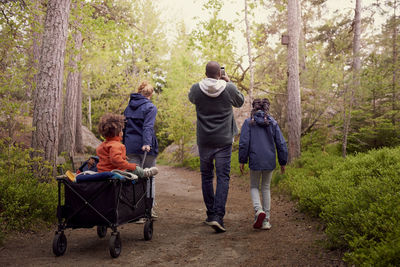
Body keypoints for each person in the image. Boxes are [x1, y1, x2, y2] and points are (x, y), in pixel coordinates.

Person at [188, 61, 245, 233]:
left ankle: (210, 214)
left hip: (204, 140)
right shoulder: (228, 88)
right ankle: (218, 216)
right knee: (222, 177)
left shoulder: (197, 88)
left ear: (205, 73)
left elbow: (192, 98)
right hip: (224, 140)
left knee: (206, 176)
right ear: (219, 74)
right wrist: (228, 82)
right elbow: (240, 102)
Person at [238, 98, 288, 230]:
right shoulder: (273, 123)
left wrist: (242, 160)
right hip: (269, 160)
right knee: (266, 188)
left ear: (254, 108)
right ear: (266, 108)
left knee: (254, 186)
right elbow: (281, 143)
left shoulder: (249, 122)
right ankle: (266, 220)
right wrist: (283, 161)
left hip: (255, 160)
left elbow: (244, 143)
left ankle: (258, 210)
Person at [123, 81, 158, 221]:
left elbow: (124, 128)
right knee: (149, 177)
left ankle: (136, 212)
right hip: (146, 148)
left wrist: (121, 145)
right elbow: (148, 127)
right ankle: (149, 209)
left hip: (130, 146)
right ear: (149, 94)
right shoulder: (150, 107)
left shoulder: (128, 107)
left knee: (134, 178)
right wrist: (147, 143)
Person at [96, 113, 158, 178]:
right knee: (133, 169)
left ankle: (141, 171)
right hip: (114, 172)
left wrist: (123, 157)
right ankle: (144, 173)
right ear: (120, 133)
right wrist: (130, 165)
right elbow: (115, 160)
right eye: (121, 129)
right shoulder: (116, 145)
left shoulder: (102, 145)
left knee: (128, 168)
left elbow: (108, 157)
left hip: (102, 171)